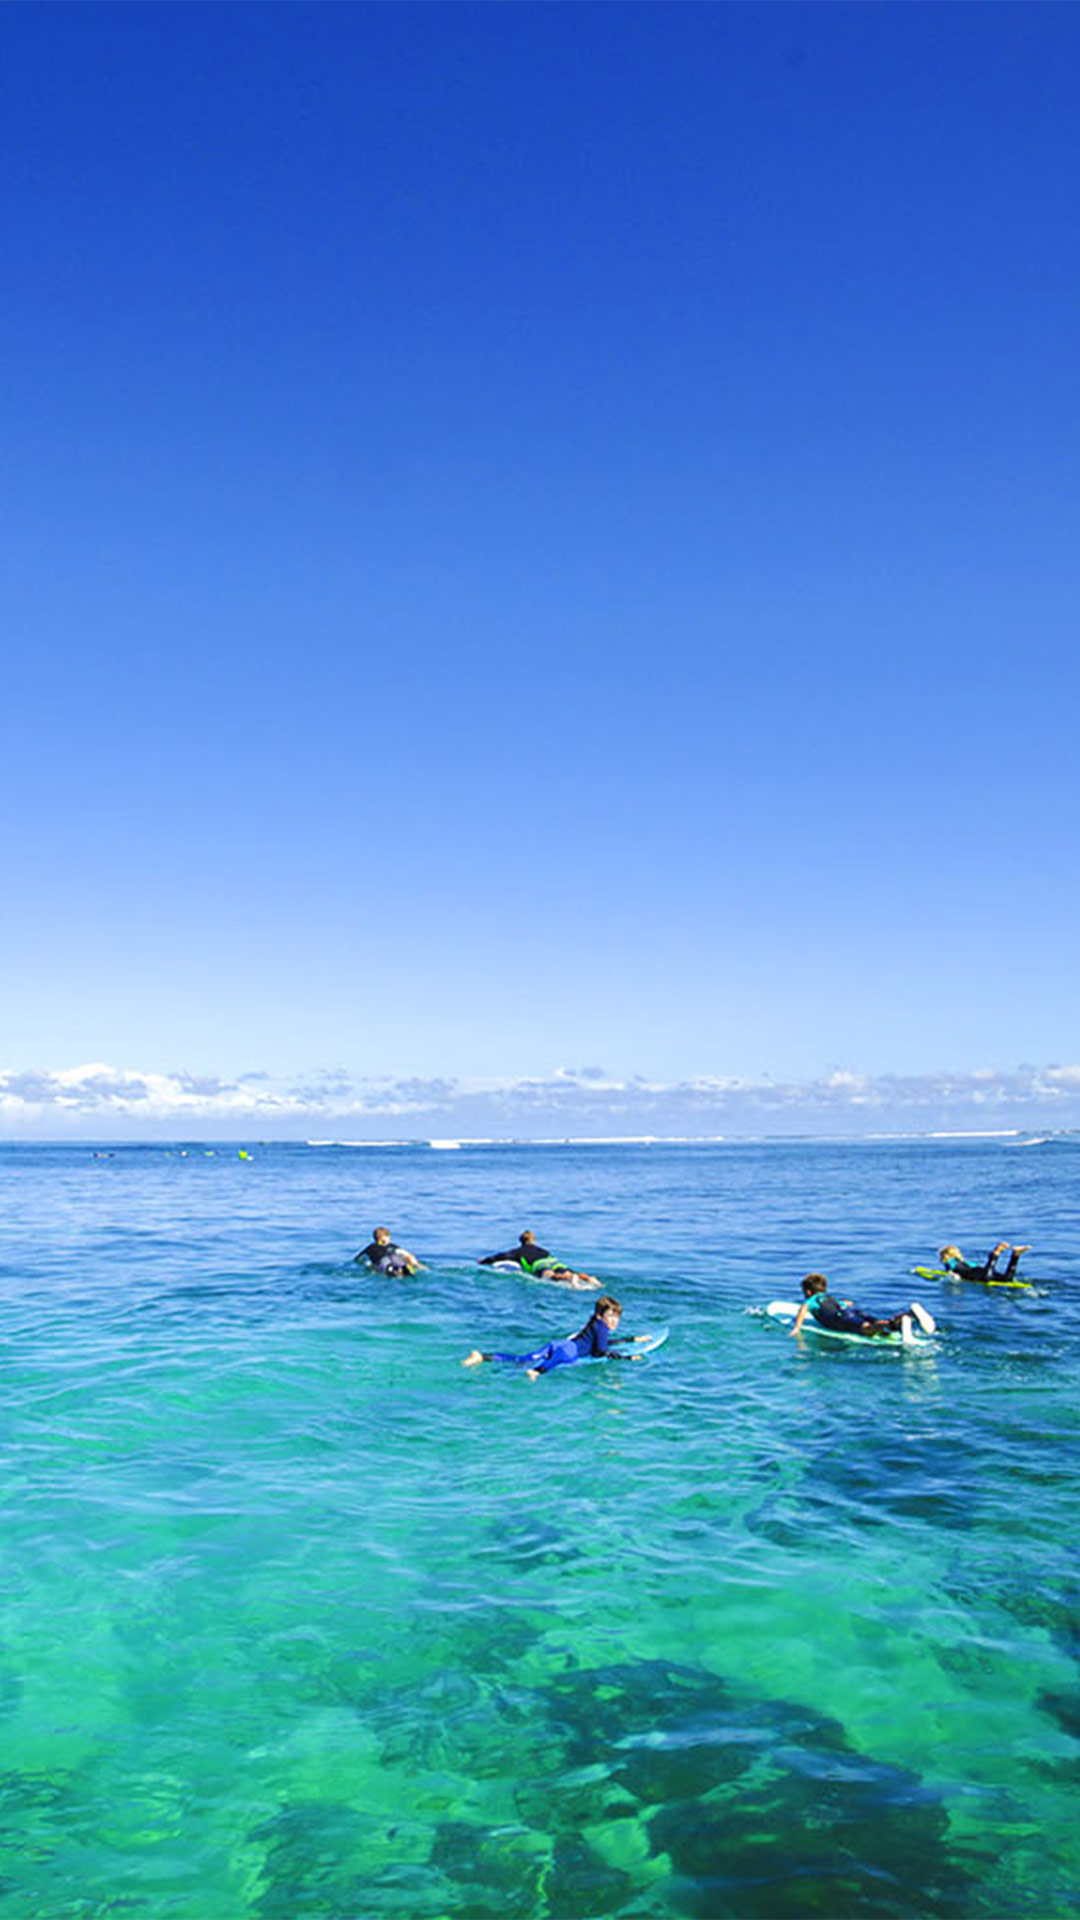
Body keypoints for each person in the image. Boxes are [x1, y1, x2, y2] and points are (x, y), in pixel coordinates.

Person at [463, 1295, 648, 1380]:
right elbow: (601, 1350)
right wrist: (627, 1358)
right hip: (570, 1352)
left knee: (524, 1358)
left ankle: (482, 1357)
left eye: (616, 1317)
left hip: (560, 1344)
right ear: (600, 1316)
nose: (614, 1321)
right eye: (611, 1317)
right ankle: (537, 1372)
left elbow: (602, 1343)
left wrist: (631, 1339)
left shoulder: (594, 1323)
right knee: (550, 1364)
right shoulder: (602, 1328)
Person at [791, 1274, 935, 1342]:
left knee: (866, 1328)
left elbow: (803, 1309)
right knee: (875, 1322)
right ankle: (908, 1315)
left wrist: (797, 1328)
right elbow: (846, 1304)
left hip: (840, 1318)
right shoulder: (829, 1297)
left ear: (808, 1292)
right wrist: (845, 1303)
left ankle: (896, 1323)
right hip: (851, 1311)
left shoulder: (811, 1300)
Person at [478, 1229, 597, 1288]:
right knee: (566, 1270)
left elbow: (500, 1256)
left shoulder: (519, 1251)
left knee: (551, 1276)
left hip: (539, 1265)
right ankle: (590, 1279)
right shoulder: (543, 1250)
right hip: (553, 1261)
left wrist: (484, 1261)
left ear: (521, 1241)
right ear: (533, 1240)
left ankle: (570, 1278)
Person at [938, 1243, 1030, 1284]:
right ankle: (1016, 1254)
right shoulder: (965, 1262)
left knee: (987, 1278)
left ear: (945, 1256)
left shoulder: (949, 1263)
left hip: (979, 1276)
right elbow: (976, 1267)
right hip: (981, 1271)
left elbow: (951, 1273)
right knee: (1007, 1279)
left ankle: (996, 1252)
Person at [354, 1227, 423, 1276]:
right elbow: (406, 1254)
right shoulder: (392, 1246)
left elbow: (358, 1258)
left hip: (383, 1263)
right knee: (403, 1261)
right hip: (396, 1259)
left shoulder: (370, 1248)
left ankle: (396, 1271)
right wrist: (417, 1264)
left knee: (384, 1268)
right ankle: (404, 1268)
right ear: (388, 1237)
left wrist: (369, 1267)